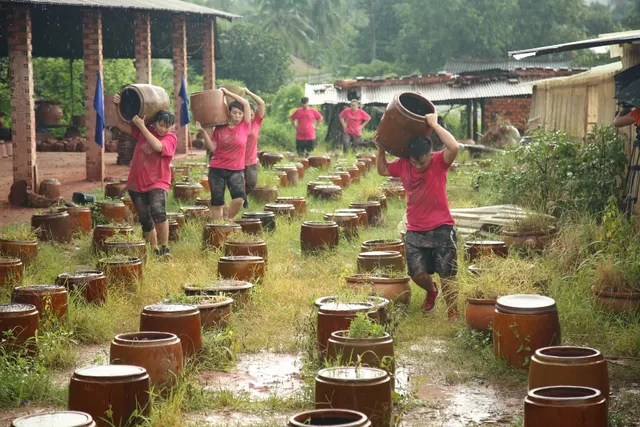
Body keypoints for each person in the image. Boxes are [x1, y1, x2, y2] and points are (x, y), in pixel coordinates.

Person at [374, 112, 460, 318]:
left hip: (442, 228)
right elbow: (382, 170)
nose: (418, 166)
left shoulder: (440, 161)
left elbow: (454, 147)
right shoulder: (404, 164)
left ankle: (453, 313)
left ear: (431, 154)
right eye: (415, 162)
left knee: (447, 274)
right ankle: (431, 291)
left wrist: (434, 125)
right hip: (415, 229)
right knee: (416, 273)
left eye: (423, 162)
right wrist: (381, 149)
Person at [112, 94, 177, 258]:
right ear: (155, 122)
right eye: (161, 125)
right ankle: (154, 249)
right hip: (137, 181)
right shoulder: (146, 130)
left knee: (159, 212)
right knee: (145, 219)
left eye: (167, 126)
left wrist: (142, 127)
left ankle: (165, 247)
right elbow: (120, 124)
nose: (163, 129)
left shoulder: (171, 138)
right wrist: (116, 106)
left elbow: (157, 146)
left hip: (158, 181)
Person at [196, 87, 252, 221]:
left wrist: (228, 93)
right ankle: (218, 229)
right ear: (229, 113)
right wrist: (203, 132)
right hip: (217, 168)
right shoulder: (220, 128)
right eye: (234, 113)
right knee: (217, 202)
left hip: (236, 169)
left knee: (239, 199)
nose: (237, 116)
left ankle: (227, 220)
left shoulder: (245, 126)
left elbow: (245, 103)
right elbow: (214, 148)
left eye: (240, 113)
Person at [243, 89, 266, 209]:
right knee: (239, 183)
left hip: (251, 159)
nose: (250, 117)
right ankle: (243, 201)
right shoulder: (240, 124)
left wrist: (248, 92)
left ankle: (243, 197)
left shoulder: (257, 122)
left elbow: (261, 104)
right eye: (248, 115)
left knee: (252, 183)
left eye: (252, 115)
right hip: (238, 160)